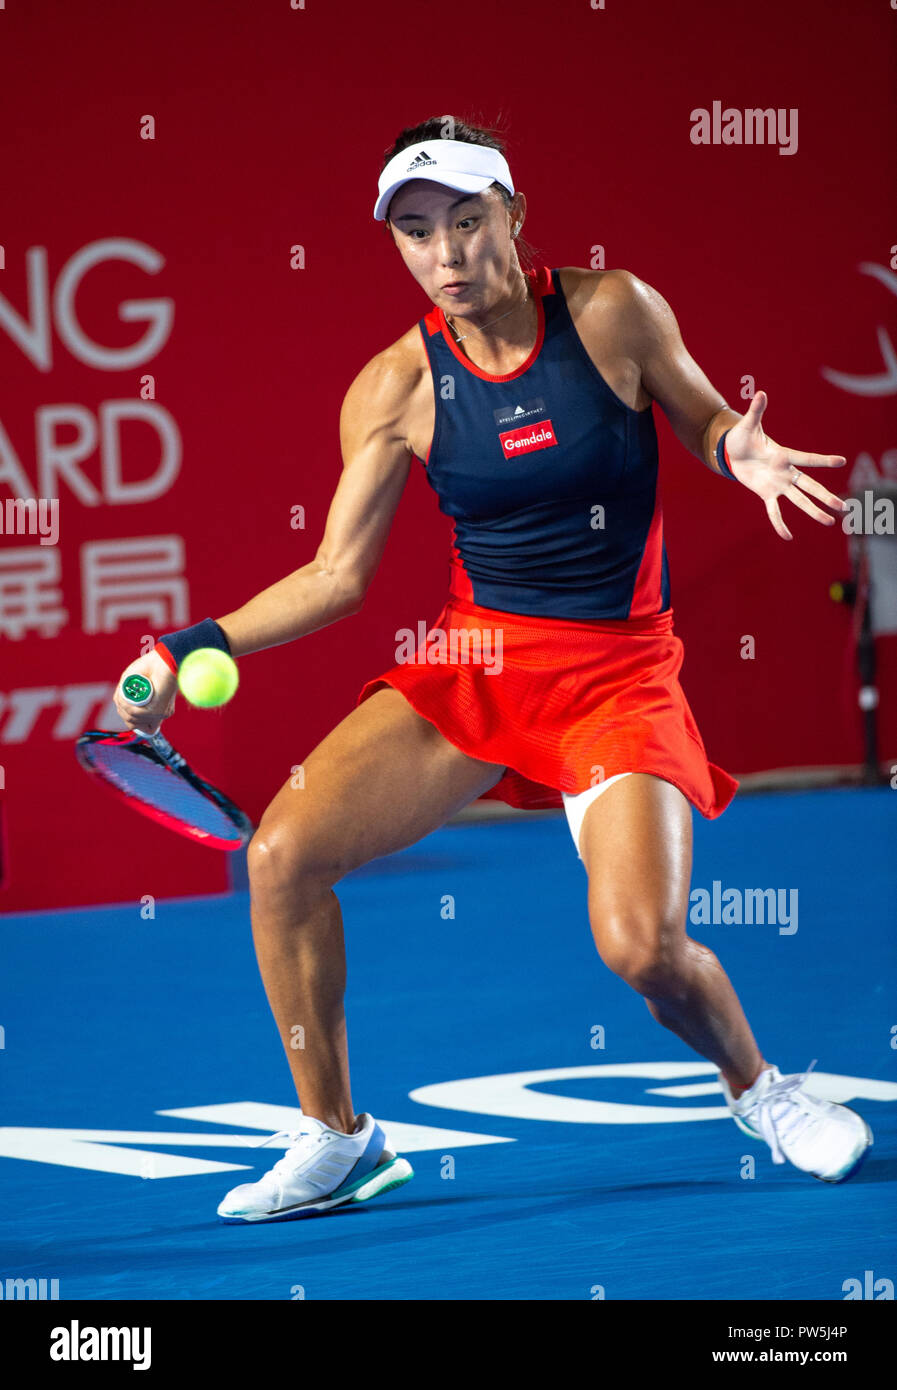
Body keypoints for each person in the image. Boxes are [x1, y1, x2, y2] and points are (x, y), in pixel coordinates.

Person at [115, 115, 873, 1225]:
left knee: (641, 947)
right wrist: (192, 643)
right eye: (417, 233)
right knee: (279, 854)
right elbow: (335, 575)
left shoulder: (614, 312)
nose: (446, 254)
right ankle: (340, 1138)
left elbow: (707, 418)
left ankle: (761, 1089)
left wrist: (734, 448)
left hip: (619, 672)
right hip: (481, 659)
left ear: (516, 215)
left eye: (467, 222)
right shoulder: (394, 389)